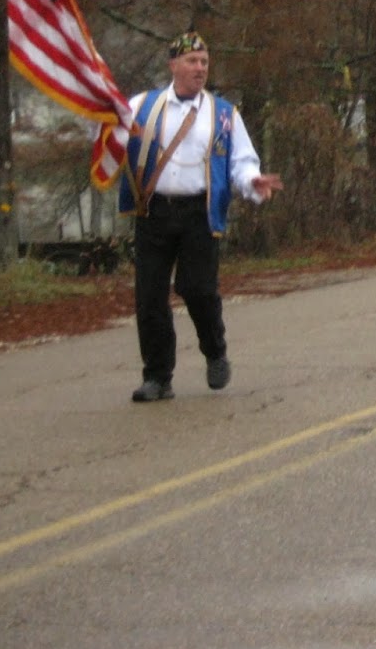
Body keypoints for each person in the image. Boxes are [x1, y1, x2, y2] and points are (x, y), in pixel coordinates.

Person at [118, 31, 284, 403]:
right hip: (154, 211)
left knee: (197, 289)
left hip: (199, 212)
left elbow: (241, 161)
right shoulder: (142, 106)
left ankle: (215, 351)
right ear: (173, 65)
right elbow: (111, 139)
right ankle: (158, 377)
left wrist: (251, 182)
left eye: (204, 62)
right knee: (150, 297)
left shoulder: (223, 114)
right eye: (192, 61)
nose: (199, 68)